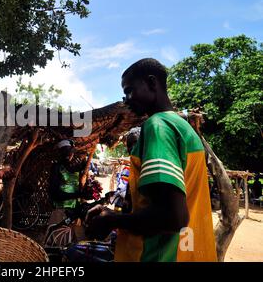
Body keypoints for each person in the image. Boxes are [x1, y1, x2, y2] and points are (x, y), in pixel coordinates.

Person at [85, 58, 217, 262]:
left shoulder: (158, 127)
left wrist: (113, 220)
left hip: (159, 256)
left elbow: (173, 217)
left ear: (152, 83)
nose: (126, 99)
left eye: (130, 90)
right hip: (187, 252)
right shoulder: (183, 128)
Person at [48, 140, 87, 225]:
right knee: (58, 235)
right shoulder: (57, 168)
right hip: (60, 211)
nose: (69, 155)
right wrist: (79, 195)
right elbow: (55, 194)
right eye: (66, 153)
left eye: (69, 153)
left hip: (73, 212)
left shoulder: (75, 170)